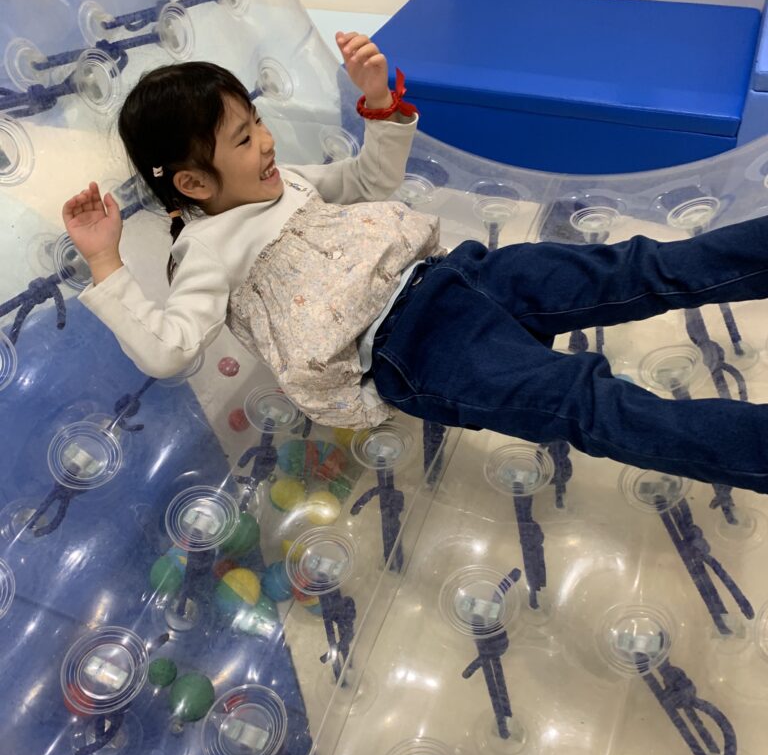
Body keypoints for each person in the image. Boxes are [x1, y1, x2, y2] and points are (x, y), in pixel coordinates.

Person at [64, 34, 768, 495]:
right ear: (192, 183)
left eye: (258, 121)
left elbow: (370, 182)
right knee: (584, 399)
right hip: (414, 346)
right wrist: (104, 261)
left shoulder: (288, 181)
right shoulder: (206, 251)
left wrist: (378, 102)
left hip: (459, 272)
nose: (267, 142)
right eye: (244, 139)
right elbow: (170, 349)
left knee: (634, 267)